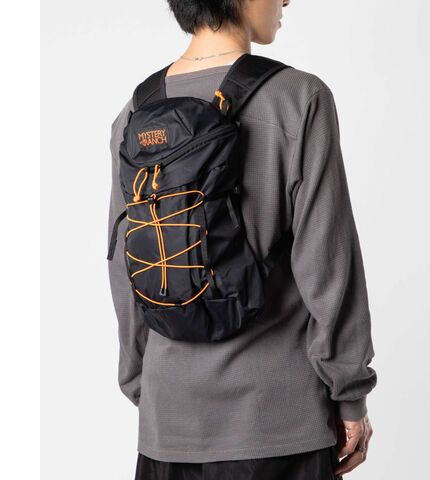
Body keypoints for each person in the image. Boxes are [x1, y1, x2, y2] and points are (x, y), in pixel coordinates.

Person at [107, 1, 377, 478]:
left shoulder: (134, 114)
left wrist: (144, 386)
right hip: (277, 427)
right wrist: (349, 393)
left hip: (168, 429)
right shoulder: (298, 98)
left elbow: (123, 264)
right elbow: (328, 262)